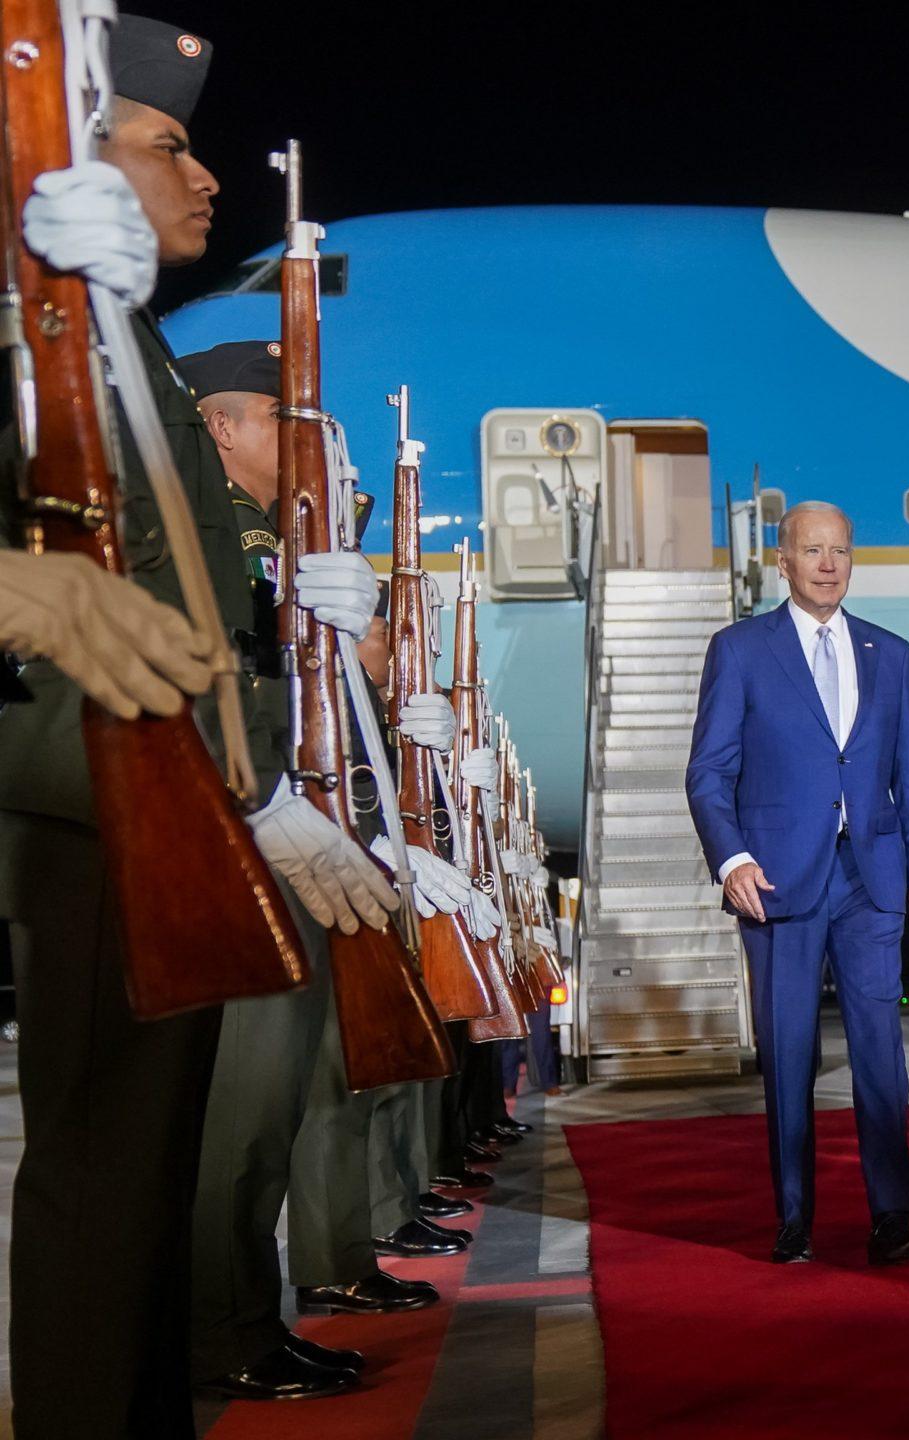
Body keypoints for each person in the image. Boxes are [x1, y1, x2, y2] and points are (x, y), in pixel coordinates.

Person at [2, 21, 407, 1417]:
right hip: (105, 803)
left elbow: (176, 587)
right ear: (79, 154)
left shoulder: (135, 352)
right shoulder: (50, 325)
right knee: (108, 1187)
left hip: (167, 796)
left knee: (144, 1186)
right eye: (167, 143)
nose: (205, 176)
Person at [175, 340, 456, 1395]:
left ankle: (251, 1317)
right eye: (283, 428)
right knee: (244, 1117)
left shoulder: (278, 543)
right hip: (250, 847)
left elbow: (324, 711)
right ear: (223, 429)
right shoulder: (225, 537)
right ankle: (224, 1332)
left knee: (290, 1099)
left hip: (309, 843)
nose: (309, 455)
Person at [684, 500, 909, 1268]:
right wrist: (732, 861)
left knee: (880, 1054)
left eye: (841, 550)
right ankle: (794, 1215)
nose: (828, 564)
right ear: (783, 562)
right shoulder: (740, 650)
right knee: (788, 1052)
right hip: (780, 885)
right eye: (812, 550)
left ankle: (892, 1212)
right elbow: (708, 773)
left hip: (870, 878)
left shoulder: (889, 652)